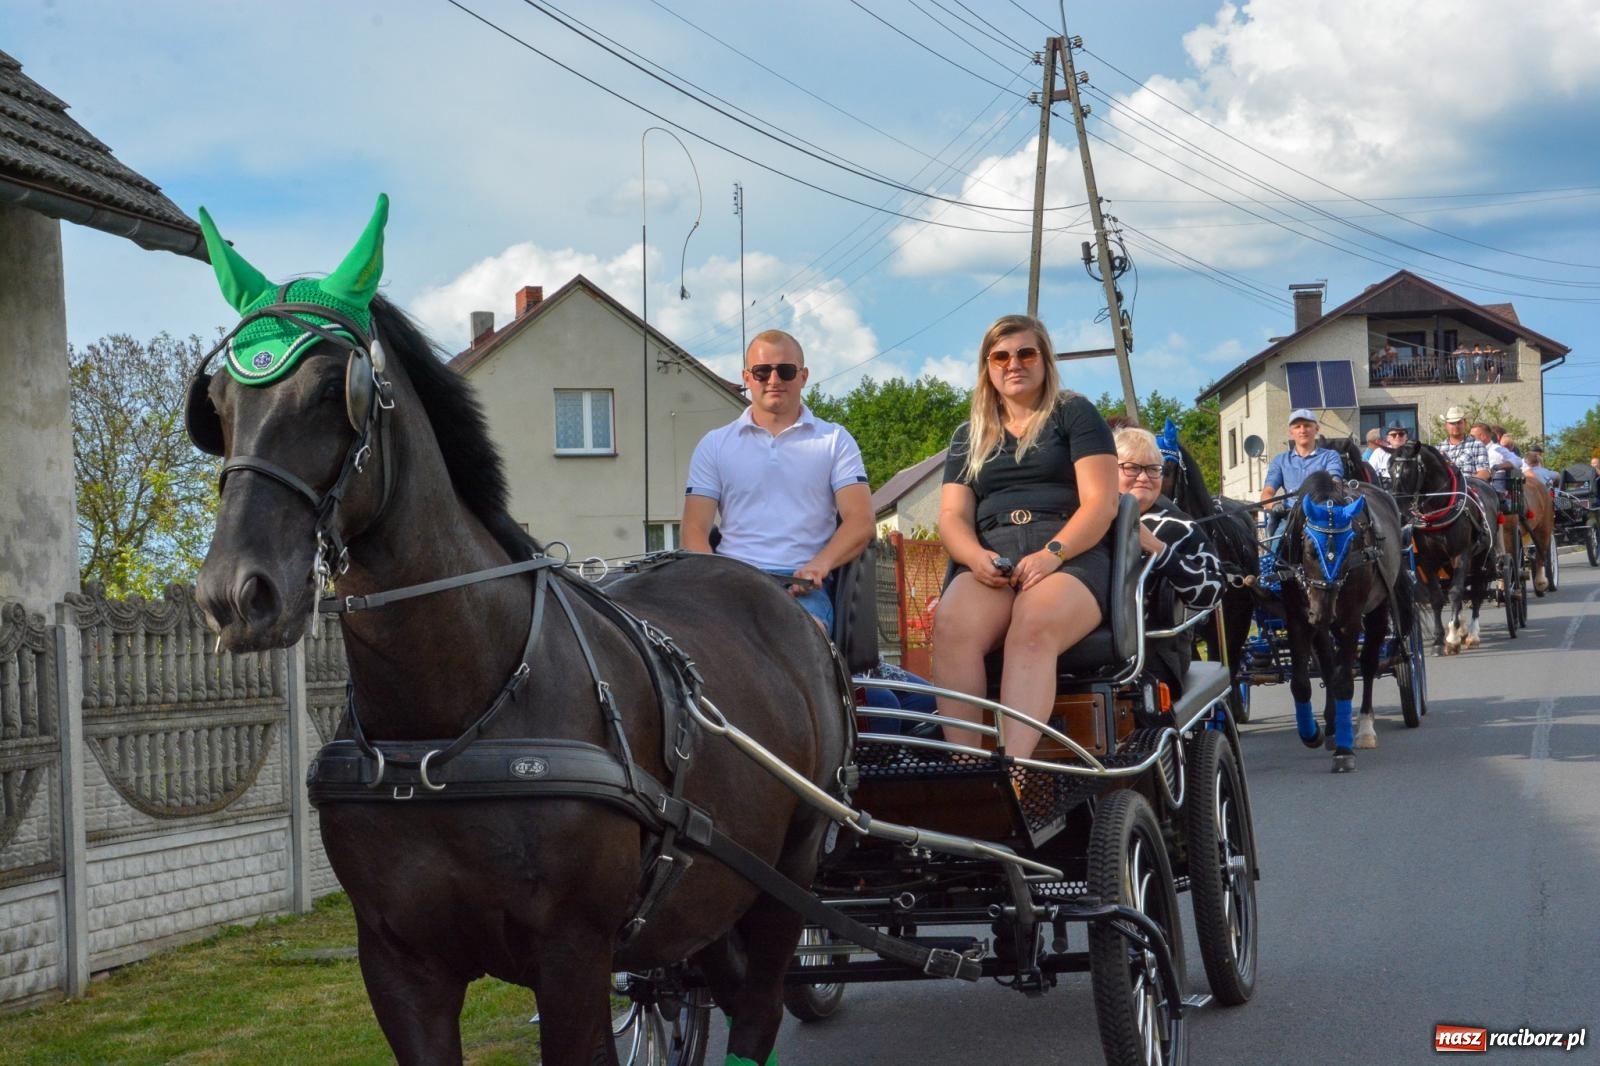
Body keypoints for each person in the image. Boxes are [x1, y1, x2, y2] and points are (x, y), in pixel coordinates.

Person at [931, 313, 1118, 759]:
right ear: (987, 367)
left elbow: (1101, 503)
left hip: (1070, 551)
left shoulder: (1074, 413)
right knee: (951, 626)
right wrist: (975, 557)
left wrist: (1053, 553)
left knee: (1032, 627)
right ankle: (969, 770)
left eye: (1025, 353)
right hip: (993, 554)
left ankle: (1015, 773)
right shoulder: (967, 436)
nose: (1013, 363)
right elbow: (953, 516)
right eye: (1000, 356)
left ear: (1044, 359)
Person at [682, 329, 873, 631]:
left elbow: (861, 521)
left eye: (785, 371)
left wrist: (819, 566)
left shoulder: (835, 439)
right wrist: (720, 580)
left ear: (803, 376)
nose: (774, 380)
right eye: (762, 371)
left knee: (802, 643)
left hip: (801, 586)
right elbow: (693, 530)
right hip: (732, 583)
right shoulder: (715, 444)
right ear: (747, 378)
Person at [1115, 428, 1223, 703]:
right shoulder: (1087, 519)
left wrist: (1159, 551)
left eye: (1154, 470)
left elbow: (1212, 590)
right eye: (1131, 468)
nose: (1144, 477)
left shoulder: (1181, 527)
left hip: (1156, 648)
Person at [1259, 408, 1344, 536]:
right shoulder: (1280, 461)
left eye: (1307, 425)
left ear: (1317, 428)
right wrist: (1274, 505)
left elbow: (1335, 483)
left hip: (1322, 517)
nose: (1303, 430)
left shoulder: (1330, 456)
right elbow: (1266, 494)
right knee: (1276, 548)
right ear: (1291, 432)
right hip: (1291, 519)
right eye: (1297, 426)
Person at [1436, 406, 1490, 481]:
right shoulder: (1438, 448)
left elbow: (1484, 472)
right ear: (1446, 425)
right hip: (1445, 489)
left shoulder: (1477, 445)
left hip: (1468, 489)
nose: (1456, 426)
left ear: (1465, 423)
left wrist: (1466, 483)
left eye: (1459, 422)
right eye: (1452, 423)